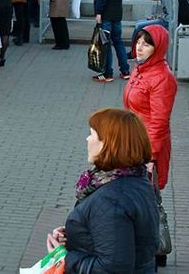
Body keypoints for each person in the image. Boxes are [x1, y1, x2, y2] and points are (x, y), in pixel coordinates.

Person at [46, 108, 159, 272]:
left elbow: (112, 269)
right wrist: (76, 234)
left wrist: (64, 258)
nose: (87, 139)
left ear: (108, 144)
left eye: (92, 134)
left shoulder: (110, 199)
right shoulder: (137, 180)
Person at [123, 25, 177, 192]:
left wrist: (151, 157)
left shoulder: (162, 78)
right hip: (135, 140)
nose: (139, 47)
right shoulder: (141, 68)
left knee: (144, 197)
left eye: (146, 44)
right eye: (138, 42)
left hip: (147, 146)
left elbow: (159, 122)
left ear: (157, 47)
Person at [92, 0, 130, 82]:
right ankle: (125, 70)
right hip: (117, 12)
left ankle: (108, 73)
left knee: (105, 43)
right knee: (118, 41)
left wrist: (98, 12)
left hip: (106, 13)